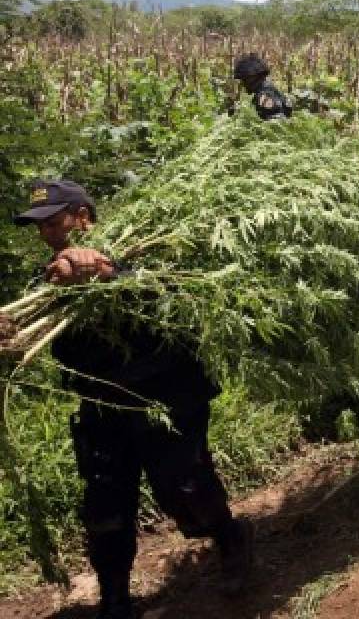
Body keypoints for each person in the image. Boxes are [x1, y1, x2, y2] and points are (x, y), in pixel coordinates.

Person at [10, 180, 252, 619]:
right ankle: (116, 601)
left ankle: (231, 540)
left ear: (83, 216)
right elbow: (30, 329)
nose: (47, 232)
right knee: (105, 507)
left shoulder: (143, 248)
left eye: (54, 220)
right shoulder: (47, 282)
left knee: (183, 484)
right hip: (102, 407)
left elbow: (177, 298)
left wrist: (112, 273)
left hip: (166, 396)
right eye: (39, 226)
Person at [232, 53, 293, 121]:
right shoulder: (270, 89)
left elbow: (277, 123)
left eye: (244, 79)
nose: (243, 84)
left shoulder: (264, 95)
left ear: (251, 78)